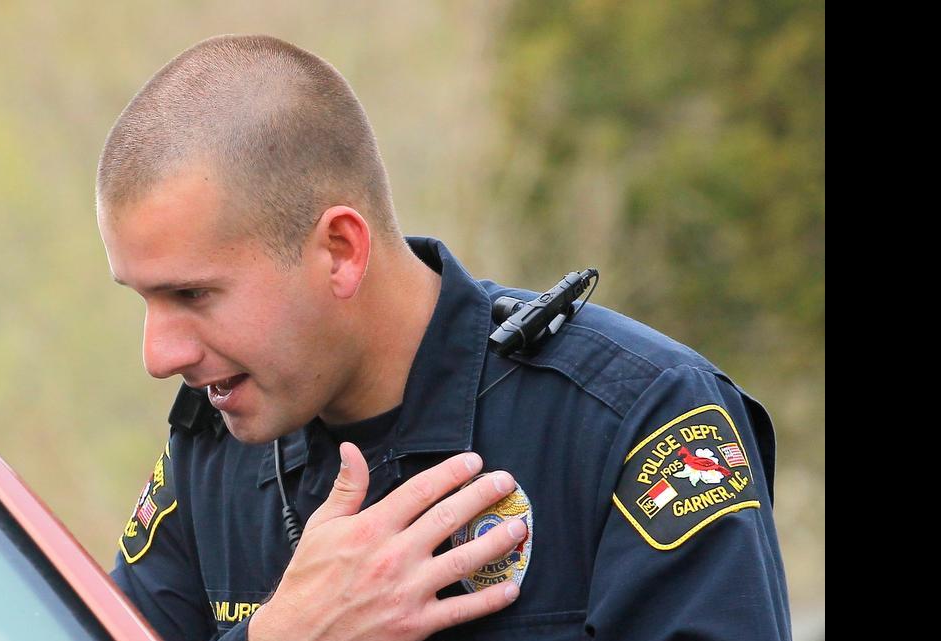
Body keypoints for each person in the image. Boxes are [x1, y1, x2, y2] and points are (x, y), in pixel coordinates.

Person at [96, 34, 791, 641]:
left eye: (192, 294)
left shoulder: (635, 422)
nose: (159, 356)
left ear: (340, 250)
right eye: (144, 299)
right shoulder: (208, 460)